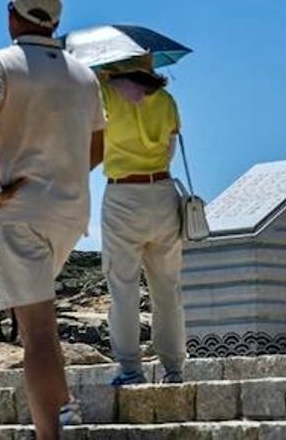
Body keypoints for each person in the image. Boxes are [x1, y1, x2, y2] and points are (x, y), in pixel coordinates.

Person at [0, 0, 105, 438]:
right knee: (38, 323)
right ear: (56, 21)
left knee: (38, 333)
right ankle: (60, 414)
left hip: (20, 209)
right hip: (70, 212)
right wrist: (64, 173)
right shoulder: (84, 74)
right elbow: (99, 144)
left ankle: (56, 429)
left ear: (12, 15)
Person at [98, 61, 188, 386]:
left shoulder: (106, 95)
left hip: (123, 194)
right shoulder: (166, 100)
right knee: (167, 288)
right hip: (163, 192)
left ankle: (130, 369)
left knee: (123, 287)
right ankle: (174, 369)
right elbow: (171, 147)